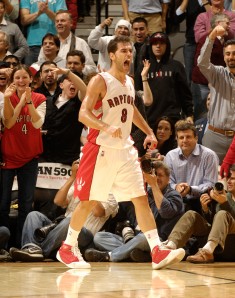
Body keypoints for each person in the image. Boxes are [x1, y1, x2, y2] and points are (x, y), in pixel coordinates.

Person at [56, 35, 186, 270]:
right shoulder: (100, 80)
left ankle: (156, 249)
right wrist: (106, 126)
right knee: (88, 201)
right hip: (101, 148)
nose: (129, 54)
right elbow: (83, 114)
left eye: (130, 50)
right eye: (124, 50)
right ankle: (67, 248)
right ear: (112, 55)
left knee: (139, 197)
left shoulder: (128, 81)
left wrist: (148, 131)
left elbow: (132, 108)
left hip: (125, 149)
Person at [9, 161, 118, 262]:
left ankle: (42, 252)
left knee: (69, 221)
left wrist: (90, 186)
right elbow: (58, 201)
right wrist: (73, 177)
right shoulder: (79, 184)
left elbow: (97, 212)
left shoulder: (111, 193)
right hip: (60, 229)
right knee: (34, 215)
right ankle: (30, 247)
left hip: (85, 236)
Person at [84, 161, 184, 263]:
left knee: (144, 237)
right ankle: (133, 254)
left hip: (158, 241)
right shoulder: (145, 194)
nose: (156, 178)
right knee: (99, 237)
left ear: (168, 179)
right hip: (135, 239)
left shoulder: (174, 195)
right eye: (153, 175)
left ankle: (109, 256)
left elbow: (165, 212)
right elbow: (122, 209)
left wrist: (154, 185)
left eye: (160, 175)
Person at [0, 65, 46, 247]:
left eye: (24, 77)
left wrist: (28, 102)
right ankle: (3, 245)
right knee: (3, 203)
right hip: (8, 156)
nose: (21, 81)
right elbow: (9, 123)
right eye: (17, 78)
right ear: (12, 81)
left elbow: (37, 123)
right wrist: (17, 101)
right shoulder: (6, 98)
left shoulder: (40, 98)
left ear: (31, 79)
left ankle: (23, 244)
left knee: (26, 204)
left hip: (30, 158)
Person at [164, 164, 235, 263]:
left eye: (232, 179)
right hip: (216, 244)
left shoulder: (224, 199)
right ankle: (170, 247)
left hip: (232, 246)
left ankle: (207, 252)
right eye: (228, 178)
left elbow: (226, 218)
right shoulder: (224, 195)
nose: (228, 181)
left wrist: (224, 204)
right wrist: (205, 210)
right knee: (191, 215)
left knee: (222, 213)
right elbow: (217, 223)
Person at [135, 32, 194, 129]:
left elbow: (185, 93)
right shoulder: (143, 67)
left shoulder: (176, 66)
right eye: (155, 43)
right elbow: (137, 93)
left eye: (162, 43)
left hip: (172, 118)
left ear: (167, 45)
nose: (158, 46)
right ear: (150, 46)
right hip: (148, 119)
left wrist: (189, 114)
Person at [198, 24, 235, 163]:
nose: (231, 57)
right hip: (215, 136)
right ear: (224, 56)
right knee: (210, 181)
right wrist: (212, 37)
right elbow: (202, 63)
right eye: (228, 54)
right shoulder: (217, 73)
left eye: (234, 53)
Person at [165, 121, 219, 213]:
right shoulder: (170, 156)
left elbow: (211, 184)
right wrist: (176, 187)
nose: (185, 140)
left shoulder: (209, 155)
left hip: (201, 201)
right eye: (181, 137)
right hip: (177, 199)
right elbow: (167, 182)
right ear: (177, 139)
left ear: (196, 138)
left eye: (188, 137)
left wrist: (190, 189)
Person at [41, 67, 86, 165]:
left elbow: (84, 89)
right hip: (45, 155)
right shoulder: (47, 101)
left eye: (75, 81)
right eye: (70, 80)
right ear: (61, 85)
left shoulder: (80, 103)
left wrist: (68, 72)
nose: (73, 83)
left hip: (69, 158)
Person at [192, 13, 230, 120]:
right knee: (202, 112)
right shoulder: (206, 39)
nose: (229, 26)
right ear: (218, 24)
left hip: (216, 82)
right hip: (203, 83)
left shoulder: (225, 41)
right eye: (227, 23)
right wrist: (209, 80)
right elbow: (199, 62)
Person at [20, 0, 67, 65]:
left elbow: (61, 20)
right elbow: (24, 20)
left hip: (54, 44)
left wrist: (47, 11)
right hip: (32, 44)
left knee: (54, 72)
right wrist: (39, 12)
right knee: (31, 73)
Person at [54, 10, 96, 76]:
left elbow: (92, 69)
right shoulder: (49, 43)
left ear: (71, 23)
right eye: (57, 21)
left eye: (62, 21)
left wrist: (77, 68)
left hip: (74, 83)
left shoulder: (81, 43)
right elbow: (41, 63)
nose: (59, 23)